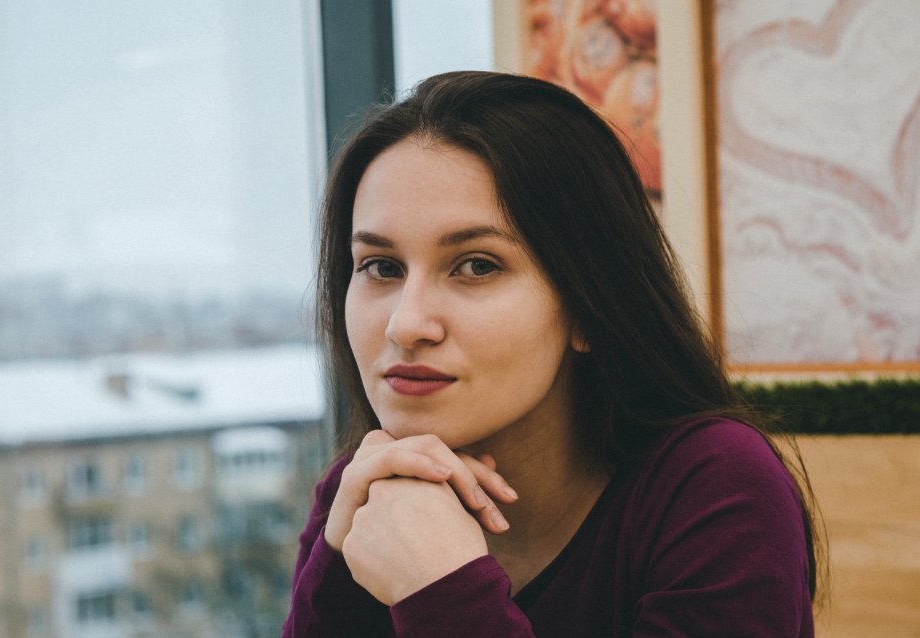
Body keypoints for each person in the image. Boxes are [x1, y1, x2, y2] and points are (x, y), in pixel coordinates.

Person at [283, 71, 820, 637]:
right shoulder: (366, 487)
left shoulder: (717, 486)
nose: (407, 323)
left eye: (477, 265)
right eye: (381, 267)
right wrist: (336, 574)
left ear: (590, 305)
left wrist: (442, 592)